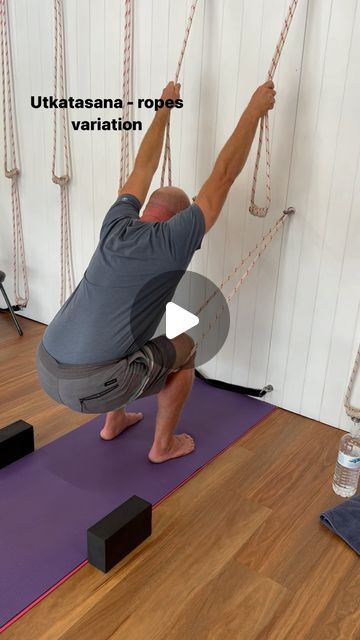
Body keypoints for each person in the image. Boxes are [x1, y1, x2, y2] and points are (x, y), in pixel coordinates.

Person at [36, 79, 276, 463]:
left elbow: (143, 166)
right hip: (92, 384)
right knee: (187, 351)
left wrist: (163, 109)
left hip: (45, 364)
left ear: (146, 209)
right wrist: (253, 110)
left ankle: (113, 423)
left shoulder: (117, 222)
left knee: (132, 335)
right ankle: (163, 445)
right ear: (180, 221)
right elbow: (223, 178)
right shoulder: (173, 239)